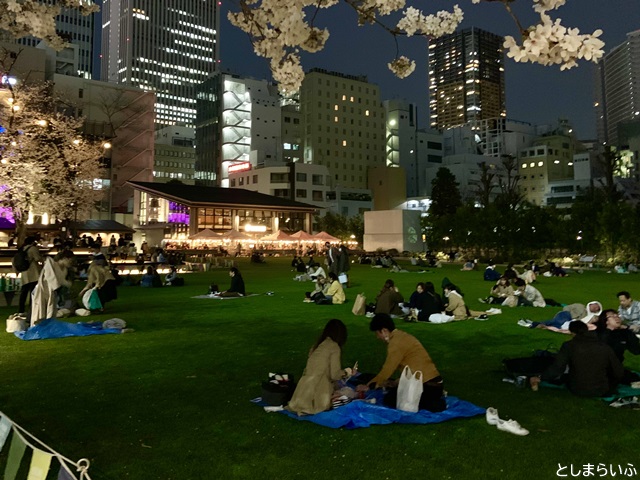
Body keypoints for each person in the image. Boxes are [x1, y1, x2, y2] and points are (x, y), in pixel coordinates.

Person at [357, 314, 446, 412]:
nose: (377, 337)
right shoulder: (402, 336)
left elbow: (387, 369)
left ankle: (432, 403)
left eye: (377, 333)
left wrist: (369, 386)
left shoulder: (395, 344)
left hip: (427, 386)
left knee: (390, 399)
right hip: (432, 383)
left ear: (384, 331)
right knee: (391, 388)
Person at [532, 321, 623, 397]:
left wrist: (542, 377)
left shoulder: (569, 345)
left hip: (578, 388)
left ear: (572, 333)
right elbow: (618, 371)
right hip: (601, 389)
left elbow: (558, 367)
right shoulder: (604, 346)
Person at [287, 319, 353, 415]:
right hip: (318, 396)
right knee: (348, 393)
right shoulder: (334, 347)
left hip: (301, 394)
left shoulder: (317, 346)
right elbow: (334, 375)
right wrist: (348, 371)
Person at [596, 309, 640, 385]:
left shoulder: (623, 333)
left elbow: (636, 350)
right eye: (612, 316)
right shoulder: (599, 334)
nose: (617, 318)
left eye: (617, 316)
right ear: (606, 321)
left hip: (615, 368)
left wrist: (628, 331)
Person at [518, 301, 602, 332]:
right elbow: (566, 307)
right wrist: (568, 314)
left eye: (597, 309)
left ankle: (532, 323)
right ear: (591, 304)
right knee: (560, 322)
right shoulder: (579, 306)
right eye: (595, 306)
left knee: (556, 324)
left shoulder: (587, 317)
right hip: (565, 314)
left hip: (568, 321)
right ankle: (533, 324)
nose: (595, 308)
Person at [17, 235, 44, 320]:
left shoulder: (22, 248)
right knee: (33, 293)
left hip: (24, 273)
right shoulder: (33, 249)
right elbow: (37, 258)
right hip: (33, 273)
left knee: (23, 293)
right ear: (33, 242)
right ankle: (31, 309)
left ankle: (21, 310)